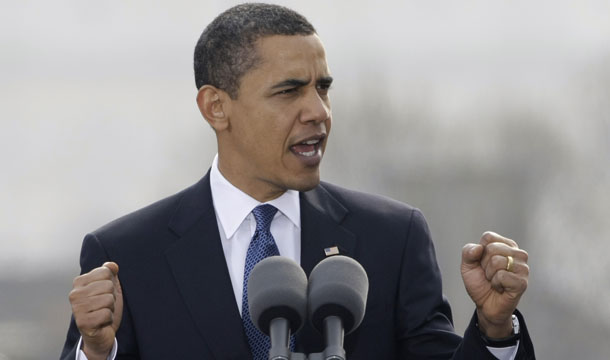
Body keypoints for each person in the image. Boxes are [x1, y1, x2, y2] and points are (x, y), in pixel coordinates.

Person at [60, 3, 535, 360]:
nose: (318, 112)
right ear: (216, 107)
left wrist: (495, 327)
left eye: (322, 88)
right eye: (289, 91)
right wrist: (97, 353)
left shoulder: (392, 237)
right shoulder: (127, 256)